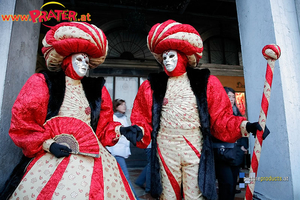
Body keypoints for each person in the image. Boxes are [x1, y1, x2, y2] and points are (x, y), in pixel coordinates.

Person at [129, 19, 269, 200]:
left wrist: (247, 126)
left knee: (195, 195)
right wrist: (137, 130)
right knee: (167, 196)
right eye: (164, 57)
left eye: (171, 56)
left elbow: (220, 118)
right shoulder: (151, 86)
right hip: (165, 148)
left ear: (184, 57)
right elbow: (142, 116)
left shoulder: (206, 83)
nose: (167, 60)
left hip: (194, 146)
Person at [1, 22, 142, 200]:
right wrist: (49, 144)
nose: (84, 64)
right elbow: (24, 122)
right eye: (78, 59)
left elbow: (102, 127)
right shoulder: (45, 83)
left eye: (86, 60)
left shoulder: (96, 90)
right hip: (52, 158)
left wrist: (122, 129)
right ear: (66, 59)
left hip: (93, 159)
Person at [213, 87, 249, 200]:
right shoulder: (217, 114)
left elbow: (244, 132)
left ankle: (236, 191)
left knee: (233, 183)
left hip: (236, 152)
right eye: (229, 96)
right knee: (227, 183)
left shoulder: (238, 114)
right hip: (222, 153)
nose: (232, 99)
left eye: (233, 97)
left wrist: (244, 146)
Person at [106, 99, 139, 199]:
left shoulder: (124, 117)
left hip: (121, 150)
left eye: (125, 105)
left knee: (117, 176)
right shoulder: (114, 117)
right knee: (126, 176)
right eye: (121, 105)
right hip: (115, 150)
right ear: (116, 107)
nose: (124, 107)